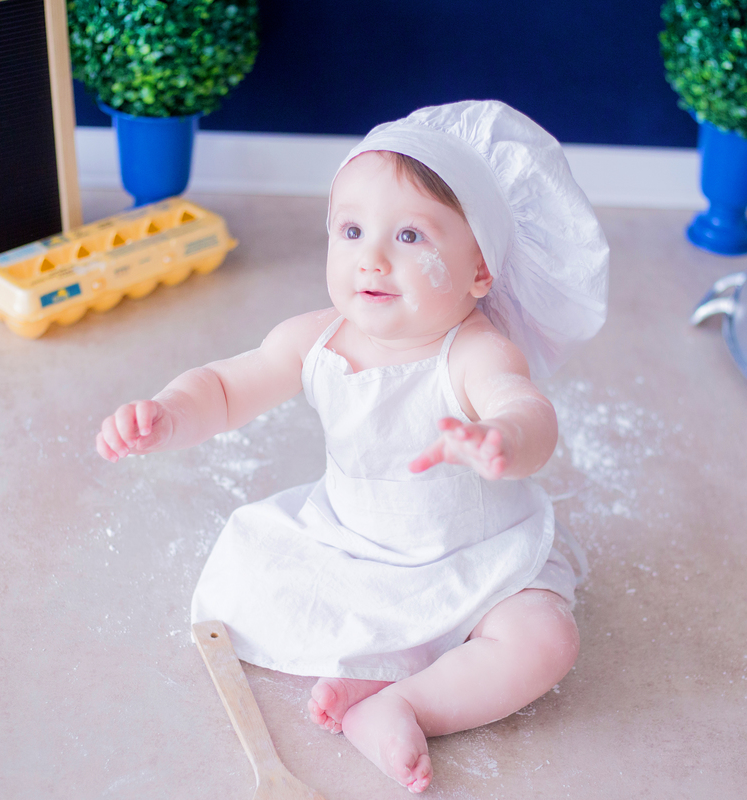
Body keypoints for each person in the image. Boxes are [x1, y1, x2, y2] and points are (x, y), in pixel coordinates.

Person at [96, 100, 610, 793]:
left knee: (546, 641)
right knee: (267, 588)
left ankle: (405, 701)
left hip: (485, 555)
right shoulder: (316, 338)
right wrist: (165, 412)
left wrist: (501, 438)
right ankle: (387, 659)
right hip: (357, 547)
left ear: (479, 273)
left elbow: (526, 409)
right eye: (352, 229)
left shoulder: (472, 351)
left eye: (409, 236)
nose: (371, 256)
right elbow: (224, 387)